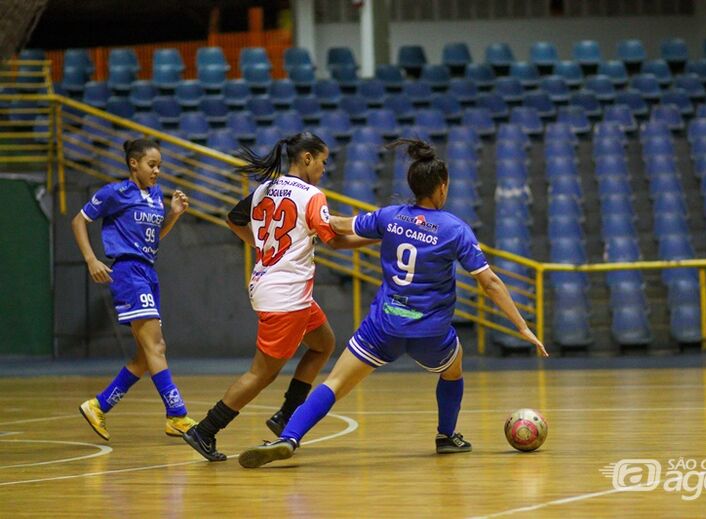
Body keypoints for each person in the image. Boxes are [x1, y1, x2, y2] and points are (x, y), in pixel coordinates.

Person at [237, 139, 548, 468]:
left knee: (335, 382)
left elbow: (340, 226)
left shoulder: (390, 217)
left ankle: (289, 438)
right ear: (442, 188)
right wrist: (522, 326)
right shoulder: (456, 230)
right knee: (453, 368)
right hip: (429, 331)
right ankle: (446, 436)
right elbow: (490, 282)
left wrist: (306, 220)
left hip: (384, 325)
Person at [183, 132, 375, 461]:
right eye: (323, 162)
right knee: (262, 373)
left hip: (272, 285)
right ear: (307, 159)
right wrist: (375, 237)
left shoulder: (264, 189)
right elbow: (335, 241)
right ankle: (205, 430)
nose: (324, 169)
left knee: (323, 343)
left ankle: (287, 414)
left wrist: (261, 246)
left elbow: (234, 219)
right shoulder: (312, 195)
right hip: (286, 295)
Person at [73, 138, 197, 440]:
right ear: (134, 164)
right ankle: (177, 415)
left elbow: (154, 238)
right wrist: (91, 260)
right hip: (128, 272)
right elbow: (79, 220)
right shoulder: (115, 193)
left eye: (159, 166)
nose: (156, 171)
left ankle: (98, 405)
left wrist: (174, 214)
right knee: (157, 348)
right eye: (151, 165)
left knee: (145, 356)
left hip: (148, 270)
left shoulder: (155, 195)